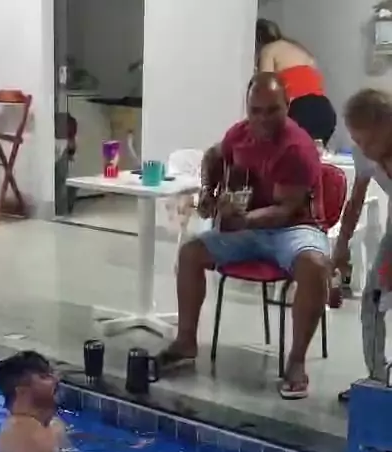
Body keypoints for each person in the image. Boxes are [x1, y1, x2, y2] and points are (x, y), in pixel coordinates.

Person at [157, 72, 330, 400]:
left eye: (272, 110)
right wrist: (208, 191)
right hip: (248, 229)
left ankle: (296, 362)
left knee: (315, 266)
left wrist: (242, 220)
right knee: (190, 252)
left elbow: (285, 210)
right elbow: (213, 156)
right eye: (255, 111)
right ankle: (186, 341)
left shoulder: (298, 148)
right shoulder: (239, 134)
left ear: (288, 106)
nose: (262, 119)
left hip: (293, 228)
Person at [0, 351, 148, 452]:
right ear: (22, 392)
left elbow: (73, 436)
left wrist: (124, 445)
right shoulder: (22, 437)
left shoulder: (51, 423)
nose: (56, 380)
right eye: (44, 377)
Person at [333, 89, 392, 402]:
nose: (364, 149)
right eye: (358, 141)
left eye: (369, 140)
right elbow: (355, 201)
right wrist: (341, 246)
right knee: (373, 297)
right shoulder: (365, 155)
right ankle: (377, 380)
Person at [256, 19, 336, 147]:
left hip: (300, 109)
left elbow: (265, 86)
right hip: (325, 110)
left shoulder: (268, 50)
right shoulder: (300, 50)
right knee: (312, 154)